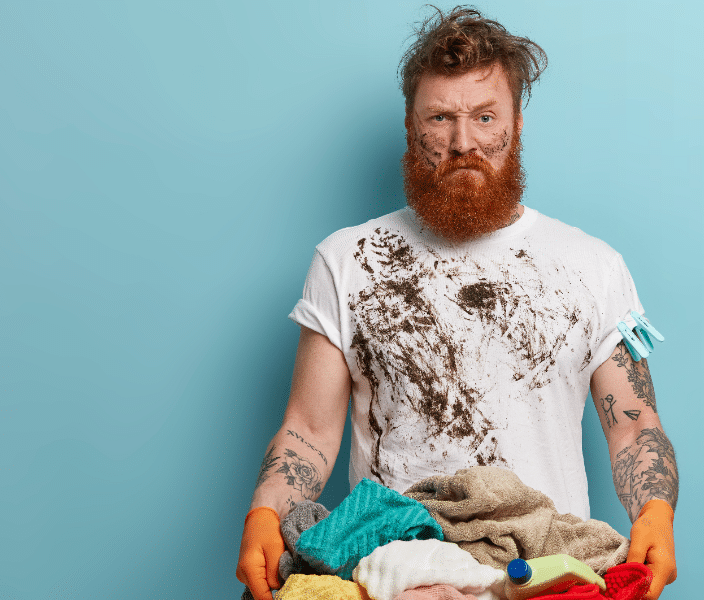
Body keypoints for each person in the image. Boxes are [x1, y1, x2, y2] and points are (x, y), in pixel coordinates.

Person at [237, 6, 679, 600]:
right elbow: (309, 431)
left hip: (545, 573)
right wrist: (265, 514)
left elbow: (633, 427)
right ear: (411, 126)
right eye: (440, 117)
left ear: (516, 124)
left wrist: (655, 512)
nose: (462, 141)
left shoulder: (593, 266)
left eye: (485, 116)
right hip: (391, 571)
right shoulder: (345, 261)